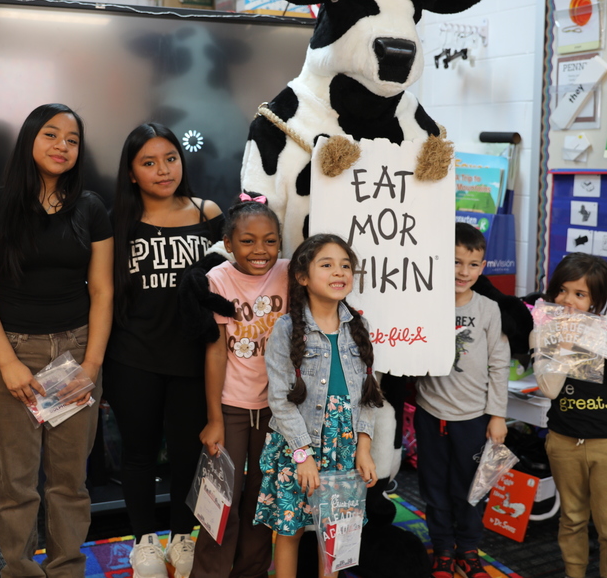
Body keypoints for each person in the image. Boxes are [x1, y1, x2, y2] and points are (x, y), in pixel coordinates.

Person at [0, 103, 113, 577]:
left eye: (72, 139)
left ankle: (67, 568)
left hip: (74, 353)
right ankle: (20, 571)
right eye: (51, 134)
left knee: (70, 481)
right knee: (17, 483)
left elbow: (104, 292)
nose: (62, 146)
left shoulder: (91, 207)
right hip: (13, 351)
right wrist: (6, 362)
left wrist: (90, 366)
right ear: (30, 139)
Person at [105, 123, 223, 578]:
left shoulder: (207, 211)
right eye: (149, 162)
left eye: (170, 158)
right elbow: (103, 292)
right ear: (132, 172)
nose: (163, 170)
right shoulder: (116, 220)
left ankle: (180, 537)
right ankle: (144, 543)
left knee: (188, 455)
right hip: (133, 355)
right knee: (137, 453)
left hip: (195, 359)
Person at [254, 233, 383, 578]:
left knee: (337, 530)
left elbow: (370, 394)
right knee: (290, 527)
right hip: (297, 444)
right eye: (326, 265)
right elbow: (280, 399)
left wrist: (364, 447)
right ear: (302, 277)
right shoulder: (286, 329)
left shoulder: (360, 327)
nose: (339, 272)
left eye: (345, 265)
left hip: (344, 444)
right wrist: (303, 455)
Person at [194, 193, 288, 578]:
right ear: (228, 244)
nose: (260, 249)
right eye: (247, 241)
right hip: (232, 405)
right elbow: (215, 353)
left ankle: (252, 571)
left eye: (269, 240)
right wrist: (214, 417)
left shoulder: (289, 272)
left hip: (277, 410)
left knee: (262, 498)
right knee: (221, 499)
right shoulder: (218, 279)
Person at [533, 253, 607, 578]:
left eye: (580, 295)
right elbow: (550, 390)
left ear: (596, 300)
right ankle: (574, 572)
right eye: (562, 291)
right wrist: (564, 346)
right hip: (564, 440)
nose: (568, 301)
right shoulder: (544, 333)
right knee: (572, 519)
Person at [415, 222, 510, 578]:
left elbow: (499, 364)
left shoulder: (488, 309)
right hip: (430, 413)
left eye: (473, 264)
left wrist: (497, 415)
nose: (463, 272)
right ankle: (441, 550)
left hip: (474, 419)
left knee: (471, 490)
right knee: (434, 488)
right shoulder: (426, 302)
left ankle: (468, 551)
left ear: (483, 267)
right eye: (456, 262)